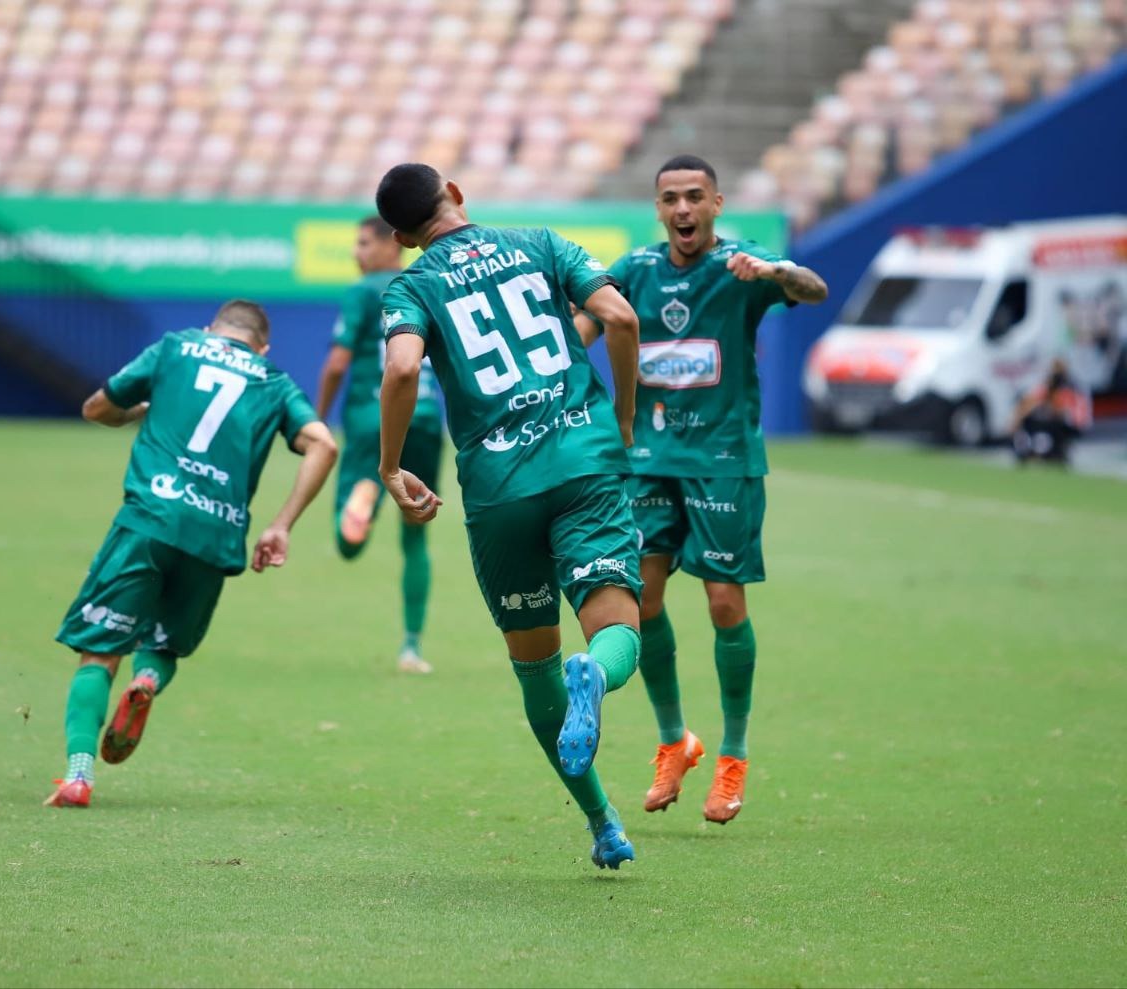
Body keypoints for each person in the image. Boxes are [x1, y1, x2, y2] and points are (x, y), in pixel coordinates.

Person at [373, 163, 645, 869]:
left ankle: (603, 822)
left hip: (498, 489)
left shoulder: (411, 285)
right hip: (585, 462)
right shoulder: (540, 242)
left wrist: (390, 465)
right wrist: (621, 418)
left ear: (402, 238)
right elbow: (618, 316)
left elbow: (401, 369)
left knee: (536, 670)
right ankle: (601, 674)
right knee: (616, 628)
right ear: (456, 195)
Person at [575, 154, 828, 826]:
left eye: (694, 197)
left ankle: (734, 754)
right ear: (658, 209)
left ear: (716, 202)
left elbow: (813, 290)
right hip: (650, 458)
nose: (682, 210)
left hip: (723, 458)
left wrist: (775, 273)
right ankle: (673, 740)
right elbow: (584, 328)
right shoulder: (634, 270)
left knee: (722, 602)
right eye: (670, 199)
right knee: (643, 596)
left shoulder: (743, 266)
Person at [45, 300, 338, 808]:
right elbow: (324, 445)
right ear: (262, 346)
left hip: (149, 522)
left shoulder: (176, 347)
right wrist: (281, 525)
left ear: (212, 330)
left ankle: (78, 775)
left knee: (100, 649)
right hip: (216, 534)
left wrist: (139, 411)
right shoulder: (274, 380)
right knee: (164, 645)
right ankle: (148, 679)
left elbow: (96, 408)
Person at [315, 216, 445, 675]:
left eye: (363, 243)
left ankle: (364, 500)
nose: (356, 252)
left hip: (373, 420)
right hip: (426, 418)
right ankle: (411, 647)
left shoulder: (364, 291)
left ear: (393, 245)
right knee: (416, 534)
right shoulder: (428, 285)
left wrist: (319, 419)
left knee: (347, 543)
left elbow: (336, 363)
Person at [1011, 358, 1091, 465]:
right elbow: (1032, 400)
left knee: (1051, 425)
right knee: (1033, 421)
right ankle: (1031, 451)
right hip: (1058, 420)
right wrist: (1018, 417)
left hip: (1072, 423)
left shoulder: (1070, 386)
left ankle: (1051, 453)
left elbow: (1066, 412)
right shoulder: (1050, 386)